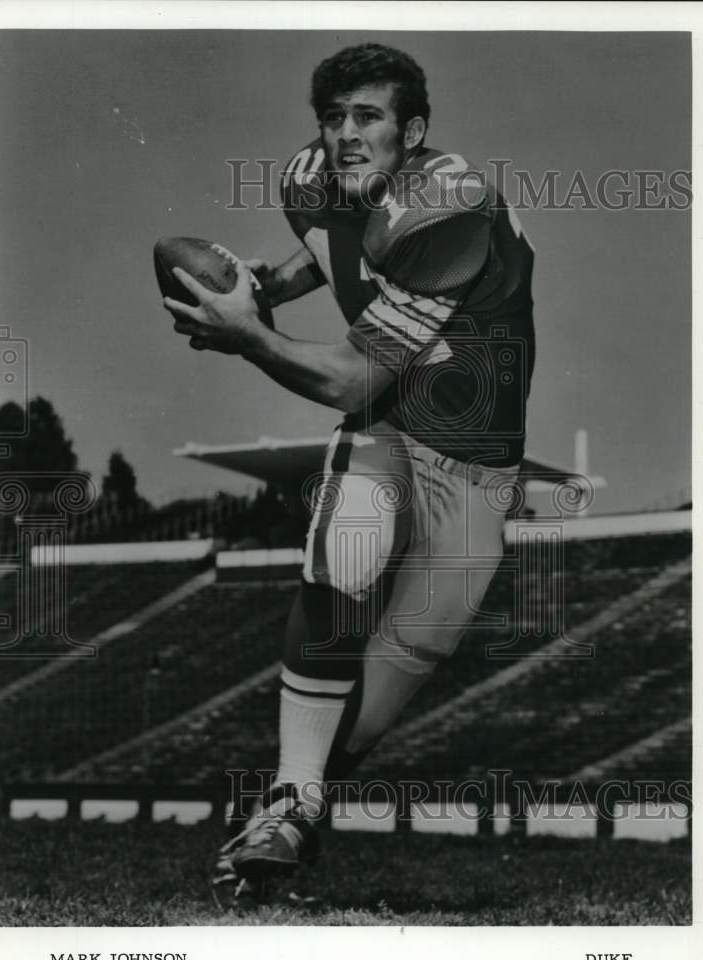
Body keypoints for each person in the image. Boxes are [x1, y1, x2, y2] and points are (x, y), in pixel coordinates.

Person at [164, 43, 536, 890]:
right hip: (393, 424)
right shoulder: (312, 176)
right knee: (351, 550)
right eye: (332, 118)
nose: (344, 135)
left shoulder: (451, 211)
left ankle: (293, 808)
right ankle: (287, 813)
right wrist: (267, 286)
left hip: (478, 456)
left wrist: (247, 336)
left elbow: (352, 369)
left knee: (403, 665)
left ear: (414, 130)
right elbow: (331, 249)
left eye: (367, 117)